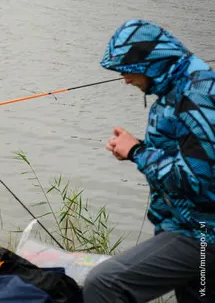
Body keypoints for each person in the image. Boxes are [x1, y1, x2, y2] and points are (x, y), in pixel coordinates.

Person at [83, 19, 215, 302]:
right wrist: (137, 149)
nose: (125, 79)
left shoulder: (196, 96)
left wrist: (137, 152)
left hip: (202, 235)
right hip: (190, 226)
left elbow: (197, 181)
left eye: (129, 71)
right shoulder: (178, 88)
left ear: (152, 64)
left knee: (104, 283)